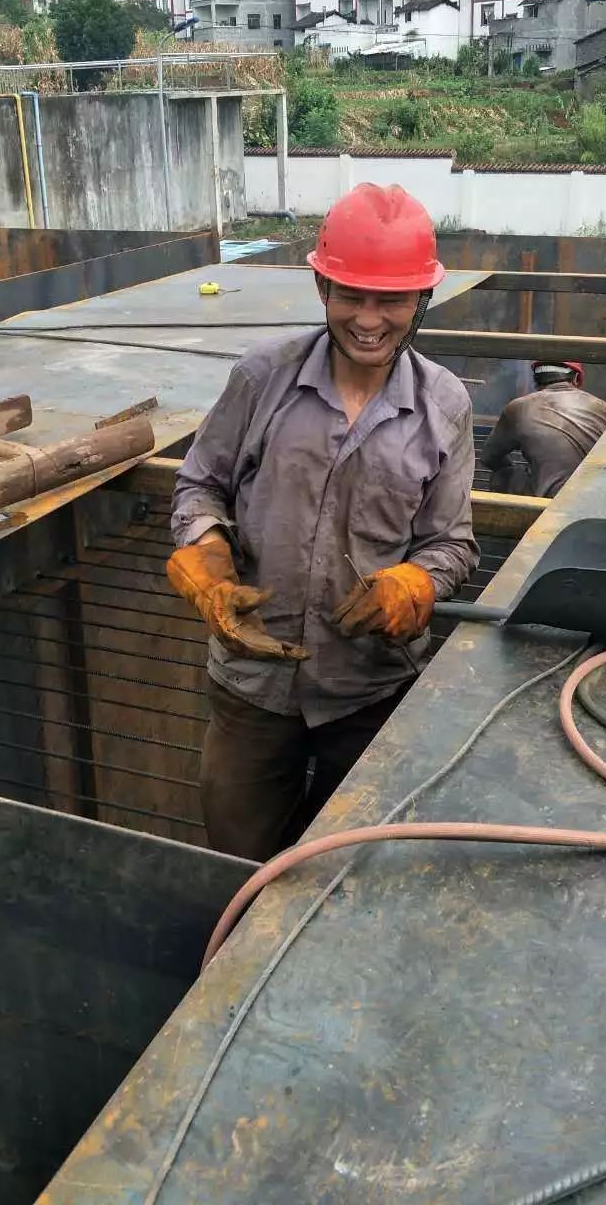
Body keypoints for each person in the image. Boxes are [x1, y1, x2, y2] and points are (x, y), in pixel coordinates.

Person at [166, 183, 479, 860]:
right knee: (236, 861)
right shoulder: (261, 378)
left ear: (421, 300)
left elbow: (451, 543)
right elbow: (200, 485)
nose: (370, 318)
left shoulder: (445, 404)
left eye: (391, 298)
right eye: (352, 296)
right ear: (322, 288)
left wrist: (416, 586)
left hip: (369, 692)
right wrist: (206, 558)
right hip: (250, 685)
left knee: (344, 868)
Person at [479, 360, 606, 499]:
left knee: (500, 478)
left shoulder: (519, 407)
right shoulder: (603, 407)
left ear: (536, 381)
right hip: (596, 496)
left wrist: (514, 469)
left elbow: (488, 458)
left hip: (548, 500)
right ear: (575, 378)